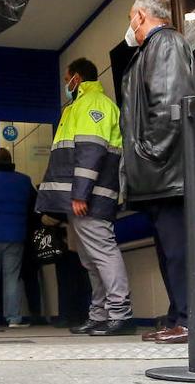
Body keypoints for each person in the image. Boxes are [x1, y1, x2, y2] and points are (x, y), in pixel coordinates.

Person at [120, 0, 195, 346]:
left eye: (131, 18)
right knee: (172, 250)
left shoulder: (163, 43)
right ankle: (180, 316)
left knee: (179, 250)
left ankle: (190, 321)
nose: (130, 26)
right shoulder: (153, 48)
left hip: (171, 172)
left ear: (140, 17)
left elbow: (168, 106)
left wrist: (147, 155)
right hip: (167, 174)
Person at [36, 57, 135, 337]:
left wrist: (80, 193)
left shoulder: (94, 104)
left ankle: (120, 313)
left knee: (102, 252)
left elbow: (91, 151)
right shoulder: (79, 105)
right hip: (81, 197)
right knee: (91, 259)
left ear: (76, 78)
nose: (65, 84)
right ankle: (100, 314)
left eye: (67, 78)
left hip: (89, 197)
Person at [0, 148, 36, 328]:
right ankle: (13, 319)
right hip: (16, 235)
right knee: (12, 278)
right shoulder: (24, 180)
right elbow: (34, 206)